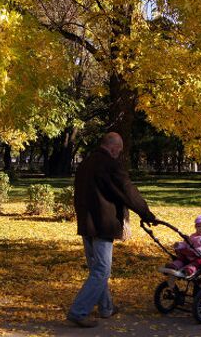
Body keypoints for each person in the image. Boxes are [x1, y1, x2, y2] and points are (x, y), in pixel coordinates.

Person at [67, 132, 157, 328]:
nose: (120, 154)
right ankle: (78, 311)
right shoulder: (109, 164)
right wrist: (146, 214)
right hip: (102, 225)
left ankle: (106, 307)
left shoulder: (86, 163)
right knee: (101, 270)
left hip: (86, 224)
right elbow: (127, 190)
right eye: (120, 150)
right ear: (113, 147)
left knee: (96, 268)